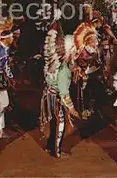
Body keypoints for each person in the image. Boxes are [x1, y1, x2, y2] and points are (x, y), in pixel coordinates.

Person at [40, 27, 79, 158]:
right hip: (56, 97)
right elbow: (64, 93)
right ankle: (57, 152)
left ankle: (50, 147)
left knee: (53, 122)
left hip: (49, 95)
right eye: (75, 52)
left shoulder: (60, 64)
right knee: (61, 122)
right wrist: (71, 108)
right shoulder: (63, 70)